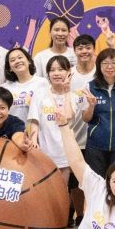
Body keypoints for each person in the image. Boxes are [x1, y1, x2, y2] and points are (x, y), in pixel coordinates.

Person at [82, 48, 115, 178]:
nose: (110, 67)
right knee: (96, 182)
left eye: (114, 63)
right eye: (105, 63)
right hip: (96, 146)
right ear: (99, 66)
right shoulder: (90, 86)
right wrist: (91, 105)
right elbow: (86, 118)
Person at [28, 55, 76, 184]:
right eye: (52, 70)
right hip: (45, 150)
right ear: (48, 74)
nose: (56, 73)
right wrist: (33, 139)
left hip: (65, 150)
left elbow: (68, 116)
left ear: (69, 73)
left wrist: (66, 91)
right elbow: (35, 120)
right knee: (47, 189)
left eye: (61, 69)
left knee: (63, 188)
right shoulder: (40, 93)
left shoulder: (73, 95)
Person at [68, 34, 96, 228]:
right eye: (80, 48)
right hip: (74, 136)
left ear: (94, 49)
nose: (84, 51)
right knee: (75, 182)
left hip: (96, 136)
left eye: (88, 47)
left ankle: (95, 217)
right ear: (75, 50)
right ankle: (79, 215)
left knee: (95, 181)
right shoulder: (69, 74)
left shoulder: (100, 72)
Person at [0, 47, 48, 123]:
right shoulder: (6, 87)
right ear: (10, 68)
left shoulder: (42, 83)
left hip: (36, 131)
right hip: (13, 131)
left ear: (29, 61)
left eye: (20, 57)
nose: (17, 61)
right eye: (12, 60)